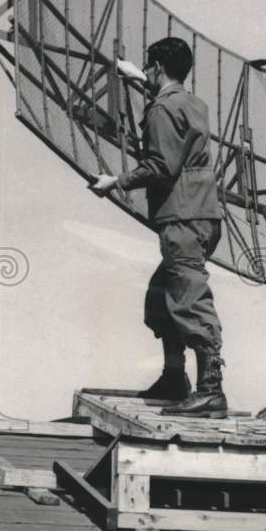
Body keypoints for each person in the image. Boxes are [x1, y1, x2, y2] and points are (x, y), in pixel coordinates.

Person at [92, 37, 227, 418]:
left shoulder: (161, 111)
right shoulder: (192, 102)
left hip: (182, 216)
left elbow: (161, 167)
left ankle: (210, 390)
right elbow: (172, 112)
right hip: (201, 213)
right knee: (160, 298)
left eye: (148, 67)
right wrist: (140, 78)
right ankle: (174, 378)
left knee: (188, 299)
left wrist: (115, 182)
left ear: (157, 67)